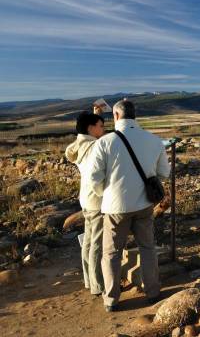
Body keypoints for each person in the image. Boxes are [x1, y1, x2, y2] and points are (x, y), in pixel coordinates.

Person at [87, 99, 170, 312]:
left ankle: (111, 299)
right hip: (144, 205)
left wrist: (105, 195)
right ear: (135, 115)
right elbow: (164, 173)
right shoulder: (154, 140)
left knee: (112, 253)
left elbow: (94, 179)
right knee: (148, 248)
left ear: (115, 116)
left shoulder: (104, 143)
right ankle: (153, 291)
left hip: (115, 207)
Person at [64, 111, 106, 297]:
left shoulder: (78, 146)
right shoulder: (95, 146)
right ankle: (98, 286)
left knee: (89, 241)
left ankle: (89, 281)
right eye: (101, 125)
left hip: (86, 199)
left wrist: (95, 115)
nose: (103, 129)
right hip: (97, 199)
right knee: (96, 243)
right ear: (91, 128)